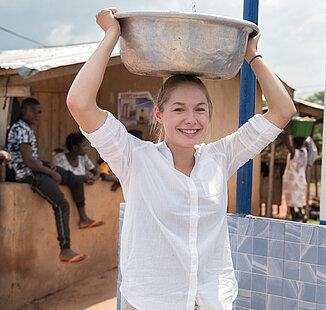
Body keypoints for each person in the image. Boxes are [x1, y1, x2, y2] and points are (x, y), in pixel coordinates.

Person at [66, 7, 295, 309]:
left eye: (200, 109)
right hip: (152, 302)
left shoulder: (221, 156)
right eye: (179, 109)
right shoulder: (135, 158)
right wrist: (112, 35)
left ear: (209, 115)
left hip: (211, 300)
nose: (191, 119)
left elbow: (282, 111)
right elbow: (79, 103)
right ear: (159, 115)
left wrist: (251, 54)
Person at [6, 98, 97, 263]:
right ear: (23, 111)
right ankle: (65, 249)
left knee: (73, 178)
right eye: (32, 111)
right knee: (61, 204)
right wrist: (50, 172)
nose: (36, 114)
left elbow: (30, 157)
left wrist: (44, 163)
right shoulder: (21, 128)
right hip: (29, 175)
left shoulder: (25, 128)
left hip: (36, 168)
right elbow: (27, 161)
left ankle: (83, 218)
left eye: (39, 111)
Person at [282, 134, 308, 221]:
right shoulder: (304, 152)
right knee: (299, 202)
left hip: (291, 181)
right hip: (301, 180)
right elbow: (307, 138)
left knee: (291, 201)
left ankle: (294, 218)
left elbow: (286, 142)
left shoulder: (294, 153)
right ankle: (303, 214)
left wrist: (287, 129)